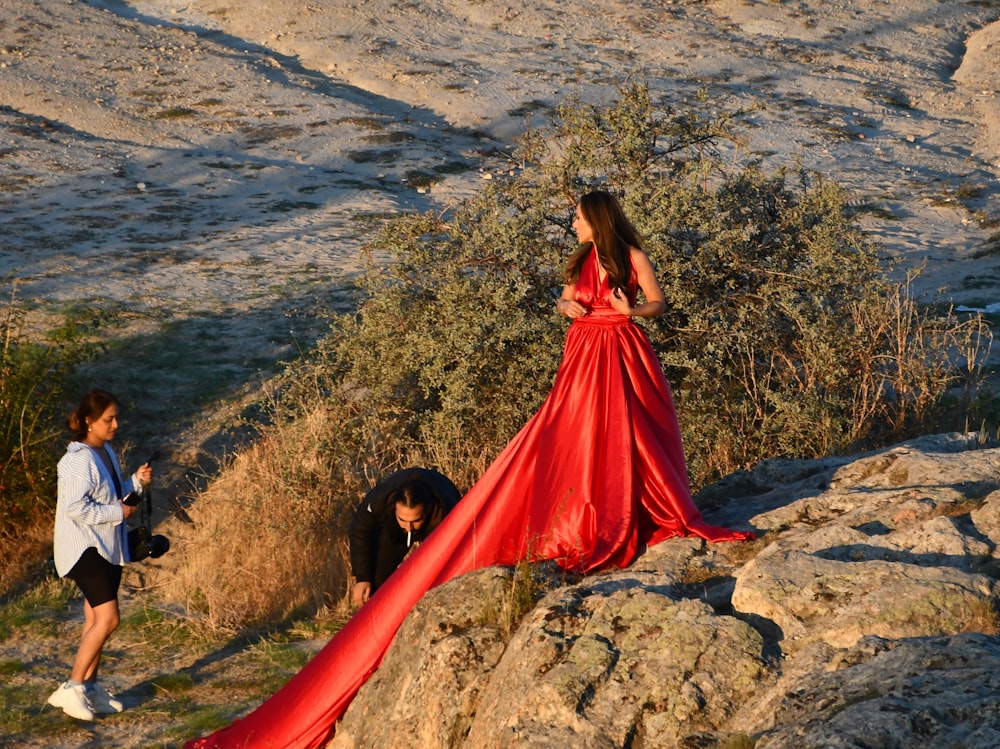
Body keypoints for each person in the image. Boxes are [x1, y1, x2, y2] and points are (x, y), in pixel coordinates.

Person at [184, 190, 753, 749]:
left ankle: (627, 505)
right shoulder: (581, 260)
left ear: (597, 219)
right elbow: (562, 298)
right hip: (582, 349)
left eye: (577, 218)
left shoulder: (629, 256)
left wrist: (631, 309)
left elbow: (659, 303)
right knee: (576, 435)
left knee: (626, 436)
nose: (572, 225)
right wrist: (568, 308)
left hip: (620, 347)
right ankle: (591, 507)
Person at [47, 389, 153, 721]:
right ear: (89, 421)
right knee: (109, 618)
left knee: (96, 620)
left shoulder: (104, 450)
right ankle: (72, 687)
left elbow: (113, 494)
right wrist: (116, 513)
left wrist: (135, 482)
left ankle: (89, 689)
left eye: (116, 418)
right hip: (83, 548)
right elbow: (77, 507)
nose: (116, 425)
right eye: (109, 419)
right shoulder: (77, 459)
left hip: (106, 545)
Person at [348, 467, 460, 606]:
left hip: (438, 531)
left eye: (415, 521)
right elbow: (360, 531)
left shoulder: (447, 511)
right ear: (395, 507)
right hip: (395, 531)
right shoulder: (380, 499)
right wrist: (362, 577)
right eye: (403, 519)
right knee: (376, 582)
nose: (408, 527)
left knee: (435, 581)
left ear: (428, 510)